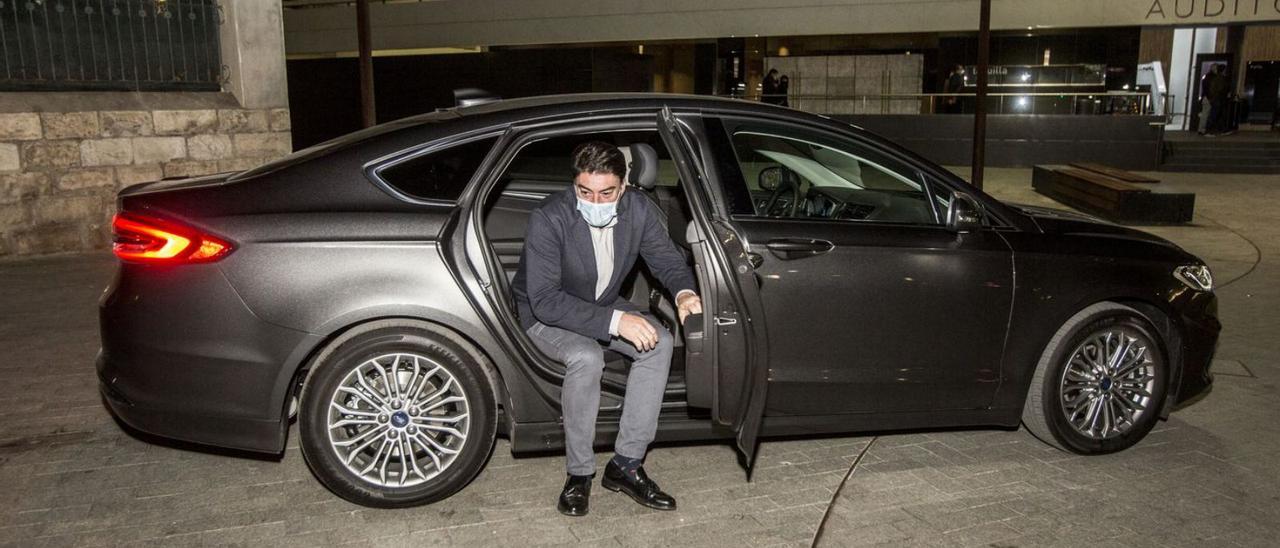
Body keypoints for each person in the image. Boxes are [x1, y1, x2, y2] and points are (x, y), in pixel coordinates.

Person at [512, 141, 703, 517]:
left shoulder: (637, 210)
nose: (595, 202)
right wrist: (618, 321)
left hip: (598, 302)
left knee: (660, 343)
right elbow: (547, 300)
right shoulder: (549, 218)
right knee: (587, 356)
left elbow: (667, 260)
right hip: (545, 312)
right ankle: (579, 473)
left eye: (606, 192)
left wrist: (683, 293)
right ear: (575, 185)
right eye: (585, 192)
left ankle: (626, 465)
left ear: (624, 185)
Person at [1205, 64, 1231, 136]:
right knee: (1215, 115)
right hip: (1219, 99)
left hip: (1216, 99)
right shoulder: (1221, 79)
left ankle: (1221, 130)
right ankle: (1209, 130)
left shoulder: (1216, 78)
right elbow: (1220, 89)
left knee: (1217, 115)